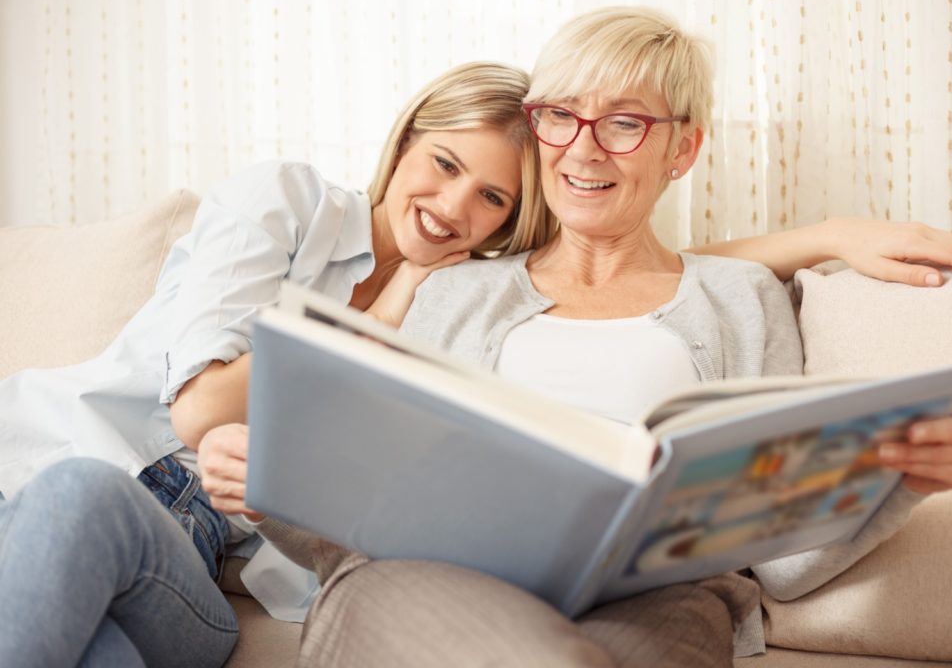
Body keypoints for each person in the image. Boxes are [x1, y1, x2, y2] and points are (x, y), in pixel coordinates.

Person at [0, 35, 952, 668]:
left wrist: (904, 473)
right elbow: (308, 493)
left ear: (680, 149)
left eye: (622, 123)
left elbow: (777, 563)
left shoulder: (737, 299)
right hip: (406, 572)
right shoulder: (436, 278)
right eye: (562, 119)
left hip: (660, 596)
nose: (583, 147)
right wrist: (283, 474)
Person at [0, 61, 555, 668]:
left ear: (508, 221)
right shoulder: (289, 202)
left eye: (491, 196)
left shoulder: (454, 325)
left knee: (87, 498)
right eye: (445, 164)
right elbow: (201, 408)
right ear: (404, 144)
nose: (452, 205)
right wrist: (376, 322)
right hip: (32, 474)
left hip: (183, 558)